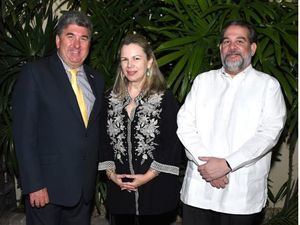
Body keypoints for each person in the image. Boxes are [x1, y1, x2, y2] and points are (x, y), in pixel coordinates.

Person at [177, 20, 286, 225]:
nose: (232, 47)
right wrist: (207, 166)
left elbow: (268, 134)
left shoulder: (268, 86)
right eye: (226, 41)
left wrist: (227, 164)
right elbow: (184, 125)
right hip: (199, 190)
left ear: (252, 48)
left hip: (241, 196)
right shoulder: (202, 81)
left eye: (240, 41)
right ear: (220, 48)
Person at [12, 11, 104, 225]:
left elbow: (93, 132)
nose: (77, 44)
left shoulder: (96, 80)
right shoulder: (35, 73)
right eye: (70, 36)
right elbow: (24, 135)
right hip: (46, 191)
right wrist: (34, 184)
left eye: (84, 38)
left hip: (83, 190)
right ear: (57, 40)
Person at [98, 34, 182, 225]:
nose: (130, 65)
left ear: (149, 61)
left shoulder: (165, 99)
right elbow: (103, 142)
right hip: (119, 192)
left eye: (136, 58)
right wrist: (112, 176)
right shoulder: (110, 99)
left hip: (156, 192)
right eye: (125, 59)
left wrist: (146, 177)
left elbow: (172, 145)